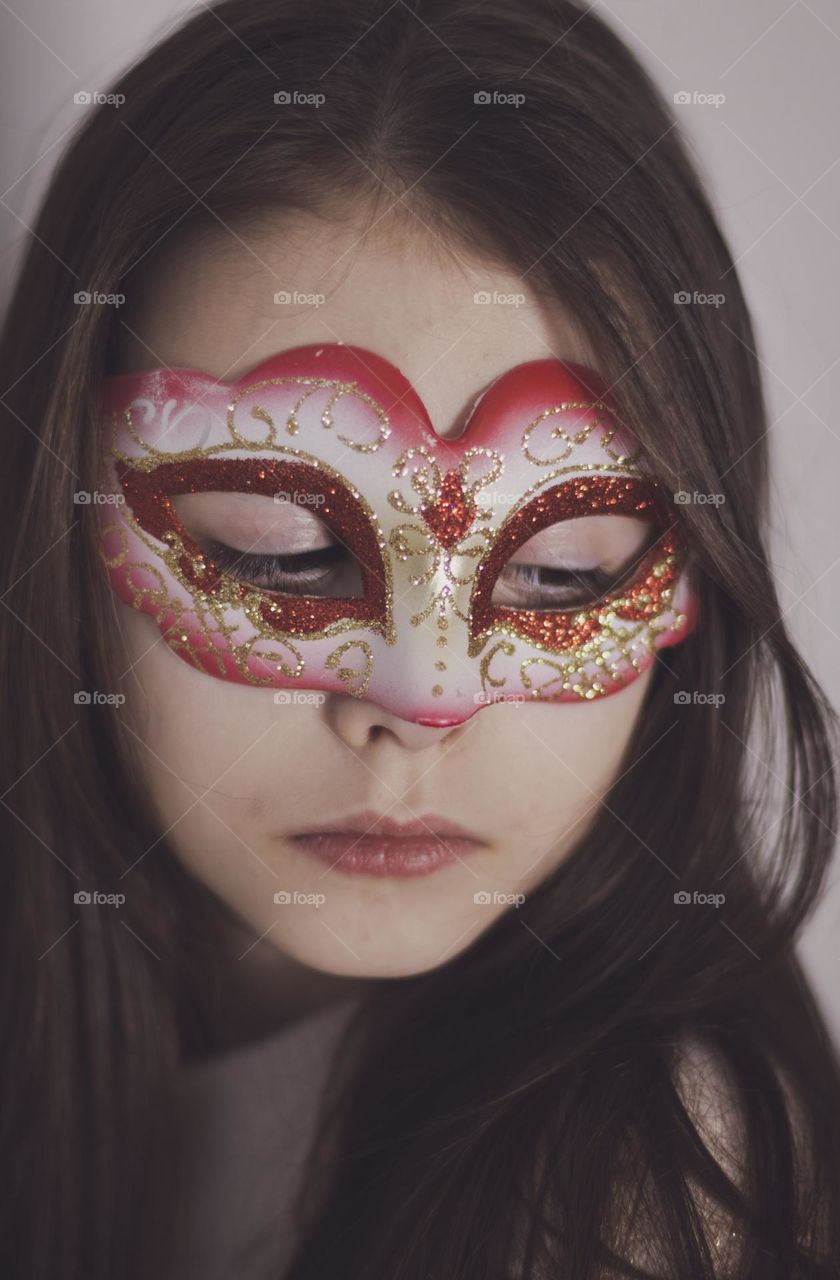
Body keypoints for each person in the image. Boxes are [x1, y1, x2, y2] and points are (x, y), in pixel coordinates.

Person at [1, 1, 838, 1277]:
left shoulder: (643, 1187)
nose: (424, 697)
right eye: (279, 548)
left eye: (564, 573)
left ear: (686, 587)